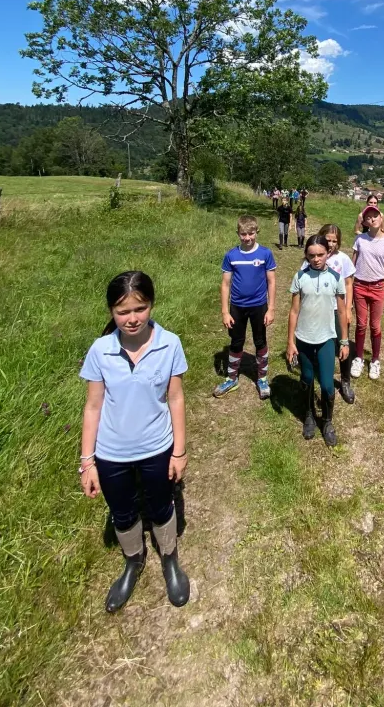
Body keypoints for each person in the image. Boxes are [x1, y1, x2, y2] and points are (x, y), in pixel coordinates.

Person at [79, 271, 190, 612]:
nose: (131, 318)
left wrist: (180, 451)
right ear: (111, 312)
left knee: (160, 506)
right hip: (112, 454)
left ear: (151, 305)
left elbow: (176, 399)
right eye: (122, 311)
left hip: (158, 448)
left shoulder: (169, 343)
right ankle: (133, 560)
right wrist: (88, 462)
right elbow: (93, 406)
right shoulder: (101, 350)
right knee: (122, 513)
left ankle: (169, 557)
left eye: (139, 309)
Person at [287, 235, 349, 446]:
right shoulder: (300, 277)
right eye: (311, 255)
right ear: (306, 255)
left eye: (320, 254)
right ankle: (309, 415)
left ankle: (328, 421)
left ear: (328, 253)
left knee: (327, 384)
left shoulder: (335, 278)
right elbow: (294, 311)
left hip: (326, 338)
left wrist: (344, 341)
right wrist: (290, 342)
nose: (316, 259)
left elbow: (342, 312)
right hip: (304, 338)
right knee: (306, 379)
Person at [216, 215, 276, 400]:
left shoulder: (265, 254)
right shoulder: (231, 255)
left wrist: (271, 308)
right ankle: (232, 378)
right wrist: (225, 312)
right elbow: (225, 284)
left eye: (251, 233)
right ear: (238, 233)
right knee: (236, 342)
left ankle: (262, 378)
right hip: (237, 307)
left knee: (260, 341)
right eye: (243, 234)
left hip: (259, 306)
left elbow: (271, 281)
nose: (247, 238)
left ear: (256, 232)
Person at [351, 206, 384, 381]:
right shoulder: (360, 240)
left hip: (378, 287)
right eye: (368, 217)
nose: (372, 219)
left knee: (375, 326)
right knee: (361, 324)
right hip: (360, 286)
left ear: (381, 218)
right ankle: (359, 358)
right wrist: (348, 286)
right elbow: (352, 264)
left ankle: (375, 360)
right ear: (364, 222)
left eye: (375, 215)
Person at [317, 224, 356, 404]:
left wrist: (348, 309)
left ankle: (345, 381)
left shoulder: (344, 259)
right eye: (328, 240)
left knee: (343, 343)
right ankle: (325, 378)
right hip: (320, 310)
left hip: (338, 310)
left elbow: (349, 284)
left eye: (335, 241)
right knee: (323, 346)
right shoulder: (315, 257)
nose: (331, 244)